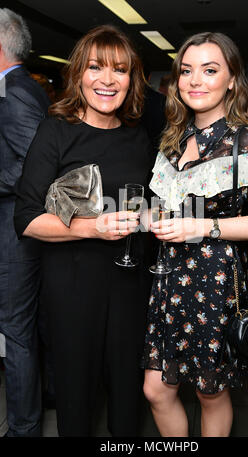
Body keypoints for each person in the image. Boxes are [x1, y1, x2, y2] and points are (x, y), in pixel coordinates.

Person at [141, 32, 248, 437]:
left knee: (209, 392)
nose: (195, 80)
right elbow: (164, 206)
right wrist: (140, 216)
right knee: (156, 388)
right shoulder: (175, 139)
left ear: (232, 80)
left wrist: (201, 226)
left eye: (210, 70)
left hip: (215, 279)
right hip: (169, 276)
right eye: (186, 71)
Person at [14, 24, 153, 437]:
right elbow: (27, 219)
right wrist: (95, 228)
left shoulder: (137, 137)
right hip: (73, 285)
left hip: (131, 282)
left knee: (129, 394)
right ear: (78, 74)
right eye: (96, 67)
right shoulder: (56, 132)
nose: (108, 80)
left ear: (132, 80)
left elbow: (145, 205)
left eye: (120, 70)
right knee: (77, 397)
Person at [0, 8, 50, 437]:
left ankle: (24, 430)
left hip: (16, 233)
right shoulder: (19, 87)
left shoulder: (15, 91)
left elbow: (35, 167)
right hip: (16, 230)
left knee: (16, 332)